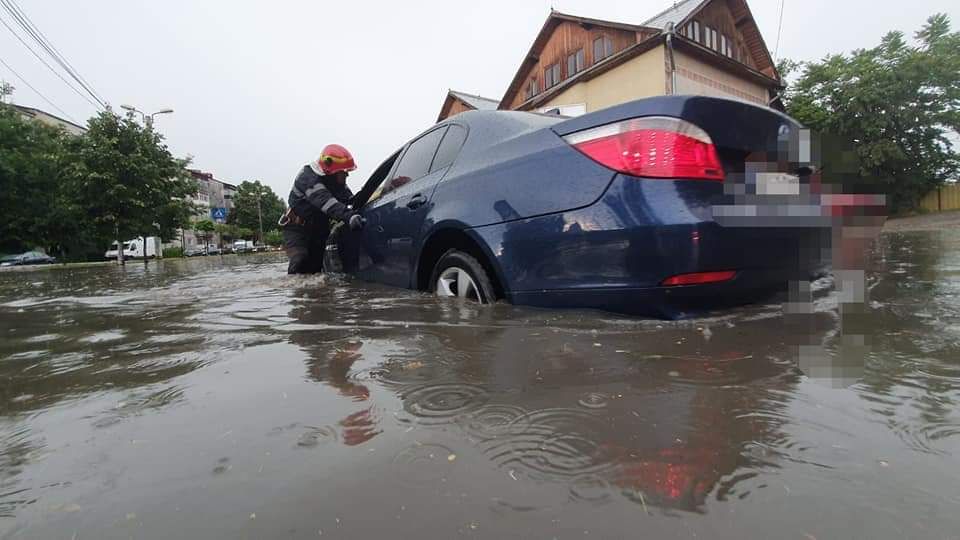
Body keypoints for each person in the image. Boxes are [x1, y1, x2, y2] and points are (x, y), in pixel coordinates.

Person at [280, 144, 366, 274]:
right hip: (297, 229)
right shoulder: (307, 178)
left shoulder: (336, 183)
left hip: (319, 229)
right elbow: (326, 203)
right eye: (343, 172)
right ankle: (296, 291)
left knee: (316, 269)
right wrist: (349, 216)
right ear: (329, 171)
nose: (346, 176)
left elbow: (351, 200)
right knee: (299, 262)